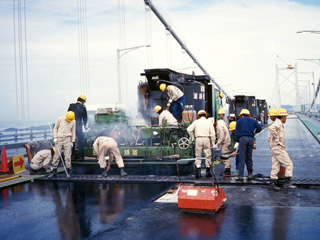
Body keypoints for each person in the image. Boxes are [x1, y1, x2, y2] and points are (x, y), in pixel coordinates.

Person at [268, 108, 296, 190]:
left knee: (275, 165)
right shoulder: (278, 123)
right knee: (289, 164)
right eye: (285, 117)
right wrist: (276, 138)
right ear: (283, 117)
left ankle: (272, 182)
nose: (286, 119)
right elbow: (271, 128)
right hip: (278, 148)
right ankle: (287, 183)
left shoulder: (278, 123)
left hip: (274, 148)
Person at [187, 110, 216, 178]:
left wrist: (192, 137)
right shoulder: (209, 122)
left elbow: (189, 129)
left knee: (198, 155)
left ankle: (198, 173)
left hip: (198, 139)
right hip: (206, 139)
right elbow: (213, 133)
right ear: (205, 115)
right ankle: (208, 172)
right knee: (208, 155)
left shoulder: (196, 122)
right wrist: (213, 142)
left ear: (198, 116)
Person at [235, 109, 262, 180]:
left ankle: (240, 176)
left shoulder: (239, 121)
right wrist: (254, 133)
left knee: (242, 157)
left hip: (242, 139)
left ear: (242, 115)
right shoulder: (253, 121)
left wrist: (237, 140)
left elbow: (237, 133)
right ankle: (250, 173)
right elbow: (260, 128)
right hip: (250, 139)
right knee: (249, 156)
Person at [48, 111, 76, 178]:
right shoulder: (60, 119)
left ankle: (68, 172)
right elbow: (55, 128)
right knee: (57, 155)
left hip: (68, 139)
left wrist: (72, 141)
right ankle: (54, 171)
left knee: (68, 156)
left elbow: (73, 131)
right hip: (59, 139)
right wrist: (55, 137)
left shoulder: (73, 121)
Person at [68, 95, 88, 160]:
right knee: (80, 141)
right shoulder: (82, 107)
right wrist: (85, 126)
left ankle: (73, 156)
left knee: (72, 141)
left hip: (71, 126)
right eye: (84, 102)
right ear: (82, 101)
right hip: (79, 125)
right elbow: (85, 118)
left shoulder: (71, 106)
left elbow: (68, 116)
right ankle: (81, 156)